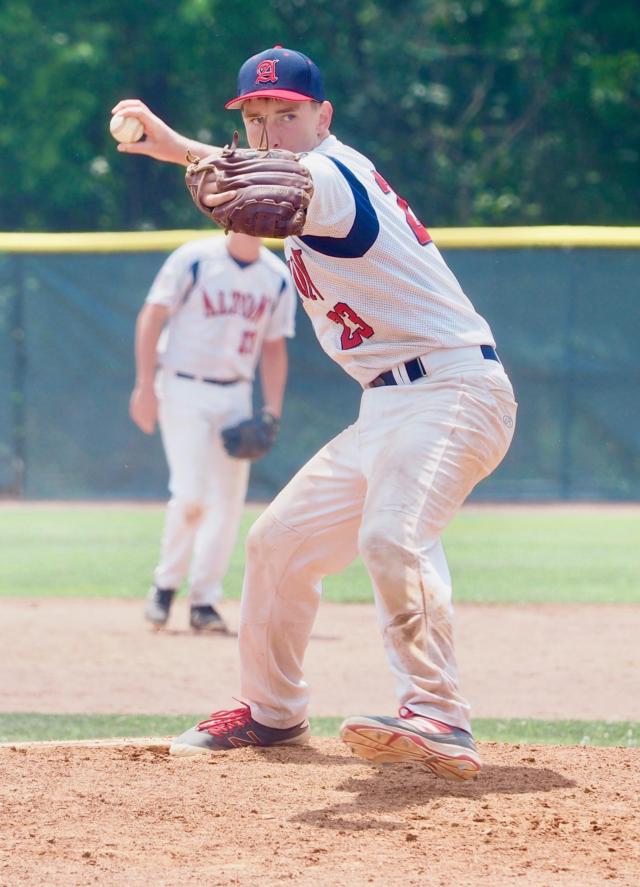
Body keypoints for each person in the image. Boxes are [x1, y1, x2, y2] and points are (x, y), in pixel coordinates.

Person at [113, 45, 517, 780]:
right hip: (392, 403)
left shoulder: (329, 170)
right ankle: (273, 712)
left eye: (287, 114)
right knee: (278, 544)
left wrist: (195, 158)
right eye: (257, 117)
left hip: (453, 389)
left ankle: (439, 714)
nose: (270, 130)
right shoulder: (301, 169)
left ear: (322, 115)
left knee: (395, 534)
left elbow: (285, 182)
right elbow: (253, 173)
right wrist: (175, 148)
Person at [130, 230, 296, 633]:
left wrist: (271, 410)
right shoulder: (195, 259)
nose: (250, 220)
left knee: (227, 503)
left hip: (236, 394)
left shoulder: (276, 276)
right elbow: (153, 315)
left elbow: (274, 347)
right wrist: (145, 384)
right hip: (183, 386)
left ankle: (204, 601)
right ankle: (166, 586)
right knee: (190, 495)